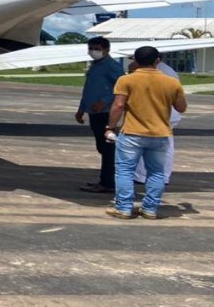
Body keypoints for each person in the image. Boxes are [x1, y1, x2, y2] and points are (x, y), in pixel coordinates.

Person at [104, 46, 187, 220]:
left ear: (135, 60)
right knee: (156, 172)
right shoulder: (171, 82)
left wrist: (110, 127)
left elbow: (118, 106)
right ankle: (150, 209)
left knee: (125, 171)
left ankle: (124, 208)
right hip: (160, 133)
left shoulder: (126, 80)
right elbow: (181, 107)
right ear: (157, 60)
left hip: (133, 132)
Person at [75, 36, 124, 193]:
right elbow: (89, 89)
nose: (93, 52)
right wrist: (81, 109)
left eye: (97, 48)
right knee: (102, 147)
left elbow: (120, 87)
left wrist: (104, 101)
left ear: (107, 49)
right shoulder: (95, 66)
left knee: (107, 148)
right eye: (91, 48)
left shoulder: (111, 66)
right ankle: (106, 179)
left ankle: (107, 182)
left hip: (105, 112)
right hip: (93, 111)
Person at [132, 58, 181, 186]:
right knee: (165, 146)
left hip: (160, 114)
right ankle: (162, 175)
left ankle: (142, 175)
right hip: (166, 114)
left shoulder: (160, 72)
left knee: (146, 144)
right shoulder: (168, 71)